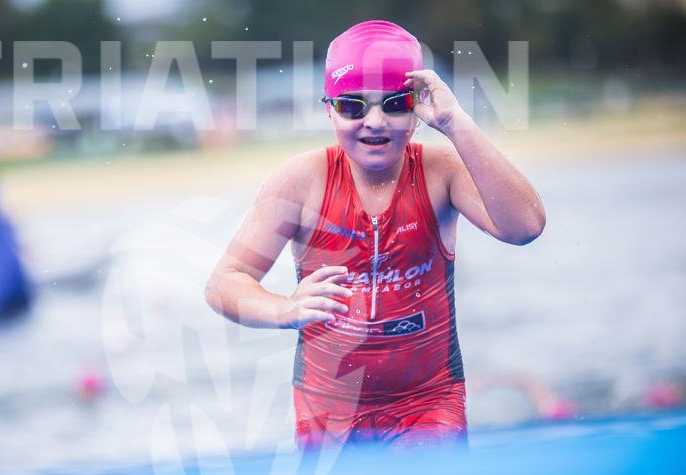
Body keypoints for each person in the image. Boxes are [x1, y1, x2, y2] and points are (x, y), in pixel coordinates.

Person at [205, 20, 546, 448]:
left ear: (416, 109)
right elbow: (225, 282)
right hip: (327, 409)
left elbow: (525, 227)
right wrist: (285, 310)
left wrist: (456, 122)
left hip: (430, 401)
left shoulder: (440, 172)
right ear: (329, 109)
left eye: (395, 104)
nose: (375, 121)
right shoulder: (301, 182)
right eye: (353, 107)